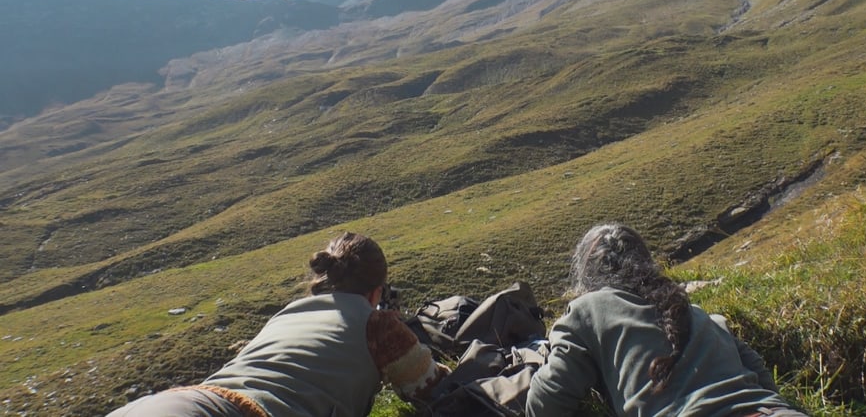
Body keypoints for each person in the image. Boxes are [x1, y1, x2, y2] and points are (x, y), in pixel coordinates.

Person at [107, 231, 448, 417]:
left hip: (177, 402)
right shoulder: (378, 324)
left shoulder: (288, 313)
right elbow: (430, 387)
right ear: (376, 291)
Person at [526, 223, 809, 417]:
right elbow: (759, 373)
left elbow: (545, 404)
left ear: (587, 275)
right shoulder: (696, 313)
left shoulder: (586, 311)